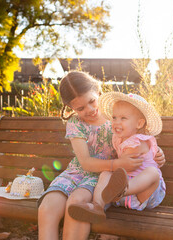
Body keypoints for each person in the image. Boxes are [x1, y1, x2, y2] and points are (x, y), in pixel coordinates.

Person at [37, 71, 165, 240]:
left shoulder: (116, 116)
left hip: (99, 179)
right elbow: (85, 163)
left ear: (98, 91)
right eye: (80, 108)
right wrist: (118, 163)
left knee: (76, 204)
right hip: (77, 173)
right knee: (47, 207)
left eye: (91, 101)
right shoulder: (76, 123)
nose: (89, 110)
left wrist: (157, 152)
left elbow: (139, 137)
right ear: (71, 108)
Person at [68, 92, 165, 223]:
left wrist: (158, 152)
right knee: (105, 173)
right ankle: (97, 206)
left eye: (123, 118)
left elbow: (127, 161)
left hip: (144, 193)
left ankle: (122, 189)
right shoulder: (117, 139)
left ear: (139, 123)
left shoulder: (139, 141)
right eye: (114, 117)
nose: (116, 122)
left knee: (153, 173)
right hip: (119, 193)